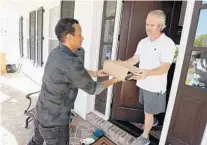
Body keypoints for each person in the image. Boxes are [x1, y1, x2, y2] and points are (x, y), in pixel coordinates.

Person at [28, 18, 120, 145]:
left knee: (35, 142)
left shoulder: (55, 53)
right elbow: (95, 88)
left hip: (39, 113)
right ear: (69, 37)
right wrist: (116, 79)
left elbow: (69, 73)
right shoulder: (71, 63)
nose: (82, 38)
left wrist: (95, 73)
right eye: (79, 34)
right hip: (54, 123)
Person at [120, 10, 176, 145]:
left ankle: (145, 137)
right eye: (147, 24)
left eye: (152, 25)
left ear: (161, 26)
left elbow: (165, 67)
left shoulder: (168, 44)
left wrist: (148, 73)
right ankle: (154, 121)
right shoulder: (143, 42)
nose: (148, 28)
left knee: (148, 113)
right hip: (142, 83)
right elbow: (135, 58)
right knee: (147, 109)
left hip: (154, 85)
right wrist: (120, 65)